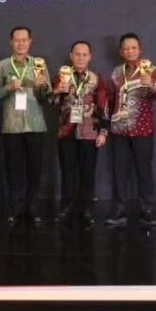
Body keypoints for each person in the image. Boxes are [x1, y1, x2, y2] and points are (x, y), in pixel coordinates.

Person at [105, 33, 156, 227]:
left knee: (144, 171)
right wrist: (106, 124)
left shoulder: (151, 70)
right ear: (121, 52)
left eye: (133, 47)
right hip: (119, 130)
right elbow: (110, 100)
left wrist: (151, 85)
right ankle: (119, 209)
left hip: (142, 129)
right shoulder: (116, 72)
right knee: (119, 172)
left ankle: (147, 209)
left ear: (140, 49)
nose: (130, 51)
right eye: (126, 48)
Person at [50, 41, 110, 227]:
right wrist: (57, 91)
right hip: (66, 131)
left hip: (89, 132)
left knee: (87, 173)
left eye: (84, 54)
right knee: (68, 173)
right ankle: (66, 208)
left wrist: (103, 132)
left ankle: (87, 210)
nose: (81, 58)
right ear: (71, 56)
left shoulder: (96, 79)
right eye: (77, 54)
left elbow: (104, 107)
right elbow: (51, 102)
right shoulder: (62, 76)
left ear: (90, 56)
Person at [0, 26, 50, 225]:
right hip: (12, 126)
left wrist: (43, 86)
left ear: (30, 42)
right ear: (11, 42)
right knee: (14, 170)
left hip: (36, 125)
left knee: (35, 169)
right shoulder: (2, 66)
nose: (20, 44)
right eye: (17, 40)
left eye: (24, 40)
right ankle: (15, 209)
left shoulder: (39, 64)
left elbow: (47, 97)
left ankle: (31, 208)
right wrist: (10, 87)